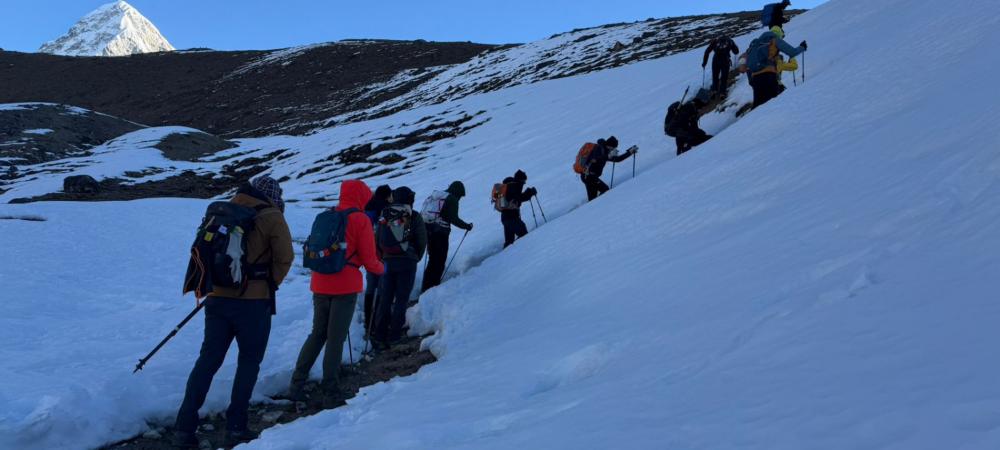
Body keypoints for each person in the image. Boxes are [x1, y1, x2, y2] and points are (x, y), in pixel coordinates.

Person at [172, 175, 294, 448]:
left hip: (216, 298)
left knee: (207, 361)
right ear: (273, 195)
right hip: (253, 303)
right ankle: (236, 427)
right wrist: (267, 283)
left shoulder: (225, 210)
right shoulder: (272, 215)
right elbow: (285, 257)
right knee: (249, 362)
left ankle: (184, 426)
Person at [289, 180, 384, 408]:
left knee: (317, 334)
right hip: (345, 286)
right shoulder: (360, 219)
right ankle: (330, 389)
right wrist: (382, 269)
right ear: (362, 196)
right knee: (336, 338)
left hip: (320, 282)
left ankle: (296, 384)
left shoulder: (326, 216)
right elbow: (370, 259)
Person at [372, 186, 427, 348]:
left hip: (387, 262)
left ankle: (379, 335)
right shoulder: (414, 216)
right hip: (407, 262)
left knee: (385, 298)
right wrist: (415, 257)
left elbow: (377, 239)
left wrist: (383, 257)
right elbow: (421, 240)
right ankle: (395, 335)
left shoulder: (385, 215)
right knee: (401, 299)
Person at [421, 181, 473, 292]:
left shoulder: (438, 196)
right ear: (458, 192)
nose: (460, 198)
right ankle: (432, 288)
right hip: (440, 233)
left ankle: (425, 288)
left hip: (428, 230)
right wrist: (466, 226)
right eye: (460, 196)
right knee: (439, 260)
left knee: (433, 260)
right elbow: (453, 219)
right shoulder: (452, 199)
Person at [748, 26, 807, 108]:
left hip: (755, 79)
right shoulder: (774, 41)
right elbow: (793, 55)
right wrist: (802, 47)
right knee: (772, 107)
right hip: (769, 77)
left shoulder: (756, 43)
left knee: (757, 108)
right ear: (779, 34)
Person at [363, 185, 392, 336]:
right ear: (387, 196)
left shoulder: (367, 207)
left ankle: (368, 322)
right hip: (382, 253)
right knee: (382, 287)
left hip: (368, 252)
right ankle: (379, 323)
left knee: (370, 287)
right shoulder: (386, 208)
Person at [580, 136, 637, 201]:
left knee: (593, 199)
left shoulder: (605, 151)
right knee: (605, 189)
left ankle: (590, 209)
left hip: (589, 176)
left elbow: (617, 159)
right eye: (613, 148)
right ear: (609, 145)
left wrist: (630, 152)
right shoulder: (598, 148)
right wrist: (608, 156)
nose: (613, 149)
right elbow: (595, 158)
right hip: (588, 176)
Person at [497, 170, 537, 248]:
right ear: (520, 180)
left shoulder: (509, 185)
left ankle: (505, 257)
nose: (524, 183)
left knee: (509, 242)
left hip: (505, 218)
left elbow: (516, 198)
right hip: (512, 218)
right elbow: (519, 198)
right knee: (523, 234)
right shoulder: (514, 186)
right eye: (524, 181)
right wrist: (530, 192)